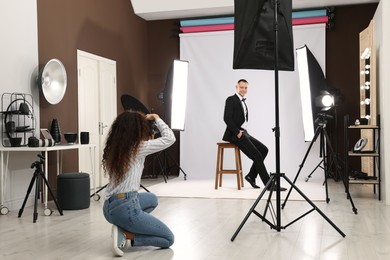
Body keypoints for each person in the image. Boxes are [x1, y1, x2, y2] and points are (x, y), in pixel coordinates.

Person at [102, 111, 176, 257]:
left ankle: (121, 226)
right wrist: (157, 118)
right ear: (138, 130)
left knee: (152, 199)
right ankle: (127, 235)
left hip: (108, 208)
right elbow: (170, 138)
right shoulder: (139, 147)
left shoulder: (115, 148)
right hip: (126, 207)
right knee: (168, 239)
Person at [222, 79, 286, 191]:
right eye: (241, 87)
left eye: (246, 88)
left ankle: (251, 176)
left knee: (264, 150)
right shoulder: (231, 99)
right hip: (235, 134)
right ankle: (269, 184)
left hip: (244, 132)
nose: (243, 90)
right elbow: (226, 118)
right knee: (256, 155)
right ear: (236, 87)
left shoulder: (242, 101)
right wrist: (237, 132)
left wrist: (241, 132)